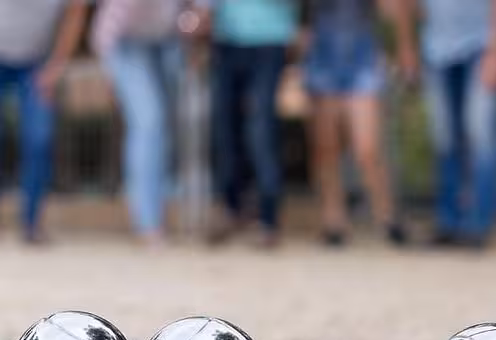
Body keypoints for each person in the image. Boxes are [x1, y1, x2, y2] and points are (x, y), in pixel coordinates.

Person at [93, 0, 207, 247]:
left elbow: (198, 12)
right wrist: (110, 74)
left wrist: (192, 27)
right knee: (148, 123)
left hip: (169, 42)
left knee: (169, 130)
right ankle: (148, 223)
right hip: (124, 43)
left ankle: (162, 213)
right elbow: (107, 27)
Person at [303, 0, 413, 247]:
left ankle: (388, 218)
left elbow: (392, 10)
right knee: (326, 147)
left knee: (367, 149)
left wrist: (404, 48)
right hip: (322, 56)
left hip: (362, 58)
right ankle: (333, 220)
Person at [410, 0, 496, 247]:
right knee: (444, 138)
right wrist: (409, 45)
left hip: (481, 46)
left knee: (482, 136)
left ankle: (478, 224)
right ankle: (449, 222)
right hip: (435, 49)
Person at [203, 0, 299, 248]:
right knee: (225, 129)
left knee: (260, 128)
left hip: (269, 39)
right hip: (226, 39)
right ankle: (230, 208)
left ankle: (268, 218)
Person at [0, 0, 87, 244]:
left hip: (35, 63)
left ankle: (31, 223)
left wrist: (56, 66)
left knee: (40, 138)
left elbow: (76, 12)